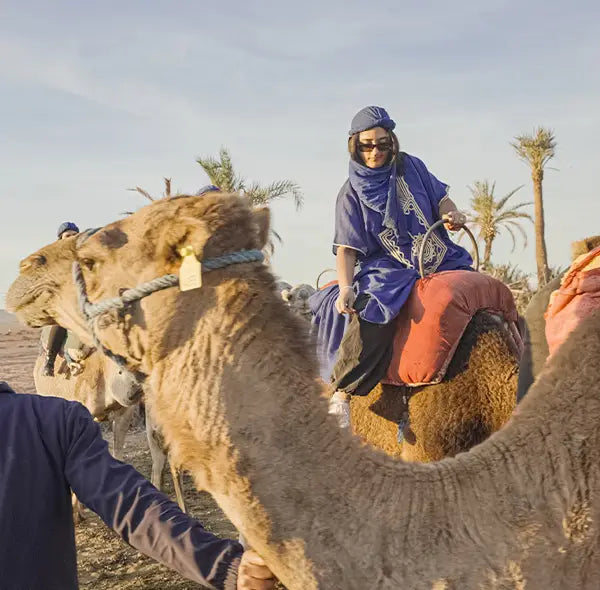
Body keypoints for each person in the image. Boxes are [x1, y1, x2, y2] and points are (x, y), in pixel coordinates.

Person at [0, 380, 275, 590]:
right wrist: (227, 566)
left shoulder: (55, 421)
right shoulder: (54, 419)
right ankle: (51, 357)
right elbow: (132, 506)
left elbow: (131, 505)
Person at [309, 106, 473, 428]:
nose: (375, 152)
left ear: (392, 143)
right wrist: (345, 288)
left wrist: (452, 213)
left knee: (479, 293)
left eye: (383, 144)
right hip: (386, 265)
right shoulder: (351, 193)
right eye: (367, 145)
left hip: (435, 253)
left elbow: (440, 197)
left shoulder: (411, 166)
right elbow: (346, 248)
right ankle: (343, 392)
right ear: (355, 145)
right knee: (375, 310)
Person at [42, 222, 81, 376]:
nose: (72, 238)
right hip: (65, 299)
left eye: (74, 235)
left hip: (86, 299)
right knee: (61, 320)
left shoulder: (86, 255)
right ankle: (49, 361)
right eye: (68, 235)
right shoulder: (55, 260)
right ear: (60, 239)